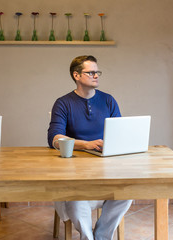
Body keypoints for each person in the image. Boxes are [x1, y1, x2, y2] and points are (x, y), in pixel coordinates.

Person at [48, 55, 132, 240]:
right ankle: (87, 237)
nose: (96, 76)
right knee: (77, 202)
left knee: (127, 193)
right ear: (76, 75)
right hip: (75, 172)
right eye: (91, 72)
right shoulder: (63, 103)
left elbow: (119, 132)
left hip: (106, 168)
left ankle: (101, 236)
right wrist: (86, 144)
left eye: (97, 72)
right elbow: (54, 138)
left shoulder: (108, 100)